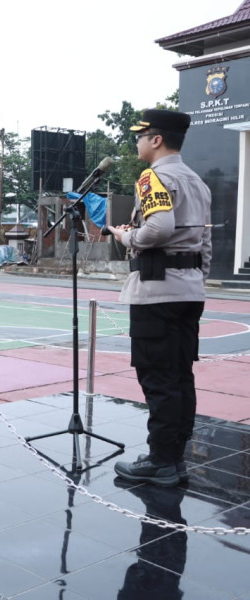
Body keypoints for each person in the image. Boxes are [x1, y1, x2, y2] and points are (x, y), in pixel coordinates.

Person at [107, 109, 212, 487]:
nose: (137, 143)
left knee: (158, 377)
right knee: (180, 376)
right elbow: (205, 242)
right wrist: (196, 280)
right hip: (189, 290)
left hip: (156, 291)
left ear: (156, 140)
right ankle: (174, 457)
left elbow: (159, 228)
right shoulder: (197, 182)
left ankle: (161, 461)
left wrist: (126, 237)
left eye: (140, 136)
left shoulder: (153, 177)